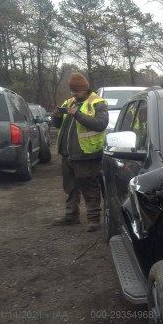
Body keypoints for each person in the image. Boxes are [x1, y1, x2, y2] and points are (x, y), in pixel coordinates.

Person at [52, 72, 109, 232]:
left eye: (76, 91)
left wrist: (77, 114)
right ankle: (71, 216)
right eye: (72, 91)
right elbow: (58, 125)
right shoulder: (69, 102)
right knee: (70, 187)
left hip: (87, 154)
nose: (73, 94)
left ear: (85, 89)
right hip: (67, 154)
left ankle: (94, 220)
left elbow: (100, 124)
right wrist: (56, 116)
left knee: (89, 186)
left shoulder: (98, 103)